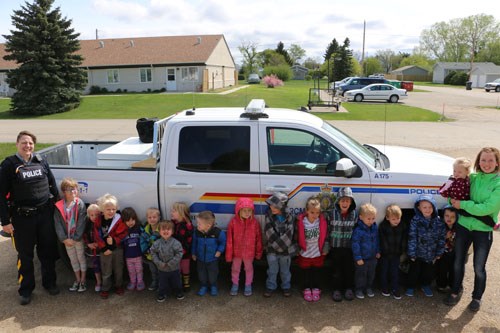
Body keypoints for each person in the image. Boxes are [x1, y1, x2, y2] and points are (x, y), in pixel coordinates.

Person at [0, 130, 60, 305]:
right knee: (25, 255)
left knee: (47, 251)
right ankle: (26, 290)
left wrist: (58, 208)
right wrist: (5, 222)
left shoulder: (40, 161)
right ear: (17, 144)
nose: (28, 146)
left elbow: (52, 185)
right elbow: (1, 195)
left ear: (34, 145)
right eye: (24, 142)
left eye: (30, 143)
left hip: (44, 215)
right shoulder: (9, 165)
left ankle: (50, 283)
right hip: (22, 218)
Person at [444, 147, 500, 312]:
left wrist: (463, 205)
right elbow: (452, 194)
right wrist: (453, 198)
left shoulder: (498, 183)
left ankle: (477, 297)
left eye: (491, 160)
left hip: (482, 230)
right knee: (458, 262)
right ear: (478, 161)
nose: (486, 164)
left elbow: (487, 208)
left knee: (478, 267)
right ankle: (455, 290)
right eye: (483, 160)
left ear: (497, 162)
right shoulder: (472, 177)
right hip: (463, 226)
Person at [405, 194, 445, 298]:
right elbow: (412, 237)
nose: (427, 210)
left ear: (434, 207)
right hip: (417, 253)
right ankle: (410, 286)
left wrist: (439, 252)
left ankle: (425, 285)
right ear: (419, 208)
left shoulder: (439, 222)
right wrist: (412, 253)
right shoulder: (415, 220)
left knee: (428, 272)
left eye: (430, 207)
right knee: (414, 271)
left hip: (431, 254)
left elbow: (441, 238)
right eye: (424, 207)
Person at [53, 177, 87, 292]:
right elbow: (57, 223)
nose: (72, 192)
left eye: (74, 189)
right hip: (67, 240)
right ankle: (77, 280)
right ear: (64, 192)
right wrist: (64, 239)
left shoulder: (79, 204)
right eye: (69, 189)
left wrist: (76, 237)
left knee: (81, 258)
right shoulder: (59, 206)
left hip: (77, 239)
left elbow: (82, 221)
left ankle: (83, 280)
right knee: (73, 260)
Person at [440, 157, 495, 227]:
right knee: (477, 216)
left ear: (467, 172)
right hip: (458, 205)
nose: (456, 174)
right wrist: (451, 199)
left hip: (467, 203)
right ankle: (493, 224)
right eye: (454, 171)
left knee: (478, 214)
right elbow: (443, 191)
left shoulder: (468, 179)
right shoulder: (452, 180)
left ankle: (492, 223)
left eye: (459, 172)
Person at [226, 197, 263, 297]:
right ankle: (235, 284)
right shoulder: (233, 222)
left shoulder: (255, 223)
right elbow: (229, 240)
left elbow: (259, 239)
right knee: (235, 269)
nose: (247, 213)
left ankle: (248, 284)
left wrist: (258, 253)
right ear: (238, 210)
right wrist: (228, 255)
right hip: (236, 253)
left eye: (249, 210)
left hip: (249, 253)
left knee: (249, 269)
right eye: (244, 210)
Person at [326, 187, 357, 302]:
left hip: (349, 248)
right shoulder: (332, 214)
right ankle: (336, 289)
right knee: (336, 269)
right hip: (336, 247)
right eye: (342, 200)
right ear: (338, 201)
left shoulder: (354, 214)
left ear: (351, 202)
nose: (345, 203)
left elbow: (356, 231)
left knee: (349, 269)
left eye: (347, 201)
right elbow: (327, 230)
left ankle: (349, 288)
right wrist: (326, 245)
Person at [263, 192, 297, 298]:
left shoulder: (290, 217)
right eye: (271, 205)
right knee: (272, 270)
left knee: (285, 270)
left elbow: (289, 233)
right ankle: (270, 286)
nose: (272, 207)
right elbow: (269, 232)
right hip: (272, 249)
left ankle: (286, 286)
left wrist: (281, 247)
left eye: (275, 206)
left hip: (286, 250)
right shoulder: (268, 216)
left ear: (282, 206)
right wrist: (279, 246)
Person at [94, 193, 128, 299]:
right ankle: (105, 288)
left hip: (117, 249)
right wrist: (104, 248)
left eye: (113, 209)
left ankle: (119, 285)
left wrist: (112, 244)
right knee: (106, 270)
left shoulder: (119, 219)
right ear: (102, 210)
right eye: (108, 209)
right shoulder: (99, 220)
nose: (111, 211)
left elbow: (123, 234)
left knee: (118, 269)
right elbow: (96, 235)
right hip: (104, 250)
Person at [296, 197, 328, 302]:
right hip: (305, 252)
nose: (315, 215)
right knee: (306, 272)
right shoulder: (302, 221)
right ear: (307, 211)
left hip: (317, 251)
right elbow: (297, 235)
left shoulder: (321, 221)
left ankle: (316, 288)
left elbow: (325, 234)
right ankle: (305, 288)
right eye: (312, 212)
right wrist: (297, 247)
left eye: (317, 212)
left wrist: (325, 247)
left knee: (316, 272)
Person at [191, 210, 226, 296]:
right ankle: (203, 286)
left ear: (208, 225)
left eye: (199, 224)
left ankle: (213, 286)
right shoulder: (197, 233)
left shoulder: (218, 233)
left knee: (213, 273)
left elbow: (223, 242)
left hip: (212, 259)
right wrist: (193, 253)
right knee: (201, 273)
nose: (197, 225)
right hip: (200, 258)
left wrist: (219, 251)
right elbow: (194, 243)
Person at [150, 220, 184, 302]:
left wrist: (171, 263)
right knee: (162, 283)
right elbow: (153, 253)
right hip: (162, 269)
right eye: (163, 229)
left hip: (174, 269)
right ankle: (162, 293)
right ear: (159, 231)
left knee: (177, 282)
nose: (165, 231)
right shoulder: (157, 243)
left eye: (168, 229)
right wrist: (159, 263)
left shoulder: (176, 243)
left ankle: (178, 292)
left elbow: (179, 253)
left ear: (172, 231)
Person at [378, 204, 407, 300]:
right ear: (387, 218)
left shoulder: (402, 226)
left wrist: (403, 250)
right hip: (385, 255)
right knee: (384, 271)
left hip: (396, 254)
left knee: (395, 272)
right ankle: (384, 287)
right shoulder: (383, 226)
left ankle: (395, 288)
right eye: (393, 219)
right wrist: (383, 251)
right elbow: (382, 240)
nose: (396, 221)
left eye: (398, 218)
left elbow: (404, 239)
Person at [352, 203, 380, 299]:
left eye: (373, 218)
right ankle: (359, 289)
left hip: (372, 257)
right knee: (361, 275)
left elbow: (377, 240)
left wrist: (378, 251)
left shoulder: (374, 228)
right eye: (368, 219)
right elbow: (355, 244)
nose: (371, 221)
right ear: (361, 217)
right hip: (362, 258)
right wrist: (358, 257)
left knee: (371, 274)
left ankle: (368, 287)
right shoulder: (358, 230)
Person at [170, 202, 193, 292]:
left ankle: (186, 283)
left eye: (174, 211)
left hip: (185, 253)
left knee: (185, 268)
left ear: (181, 213)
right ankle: (177, 283)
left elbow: (189, 240)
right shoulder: (173, 224)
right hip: (175, 252)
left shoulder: (188, 226)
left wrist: (184, 250)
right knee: (177, 268)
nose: (171, 212)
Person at [121, 207, 145, 291]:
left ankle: (140, 282)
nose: (130, 222)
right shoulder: (123, 231)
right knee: (131, 271)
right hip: (128, 256)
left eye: (132, 220)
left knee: (139, 270)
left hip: (138, 255)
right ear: (123, 221)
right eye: (128, 220)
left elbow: (144, 237)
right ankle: (132, 282)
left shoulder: (139, 229)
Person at [435, 206, 457, 293]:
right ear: (443, 216)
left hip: (455, 253)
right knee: (442, 270)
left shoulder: (458, 228)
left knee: (453, 270)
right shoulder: (440, 226)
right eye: (447, 216)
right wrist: (445, 237)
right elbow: (435, 239)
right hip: (442, 253)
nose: (449, 218)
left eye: (452, 217)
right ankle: (441, 285)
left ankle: (453, 285)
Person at [140, 207, 161, 291]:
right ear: (147, 218)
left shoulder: (162, 229)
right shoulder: (145, 230)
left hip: (160, 256)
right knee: (153, 271)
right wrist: (145, 251)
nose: (152, 219)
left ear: (159, 217)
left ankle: (161, 284)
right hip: (150, 256)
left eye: (154, 217)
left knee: (161, 271)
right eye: (150, 217)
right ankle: (154, 282)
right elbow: (142, 242)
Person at [83, 204, 102, 292]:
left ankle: (105, 281)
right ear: (88, 216)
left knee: (105, 266)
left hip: (101, 250)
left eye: (97, 215)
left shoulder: (102, 224)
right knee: (96, 266)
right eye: (92, 215)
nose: (94, 217)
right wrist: (88, 244)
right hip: (93, 250)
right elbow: (85, 236)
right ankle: (98, 282)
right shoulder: (87, 225)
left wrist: (100, 243)